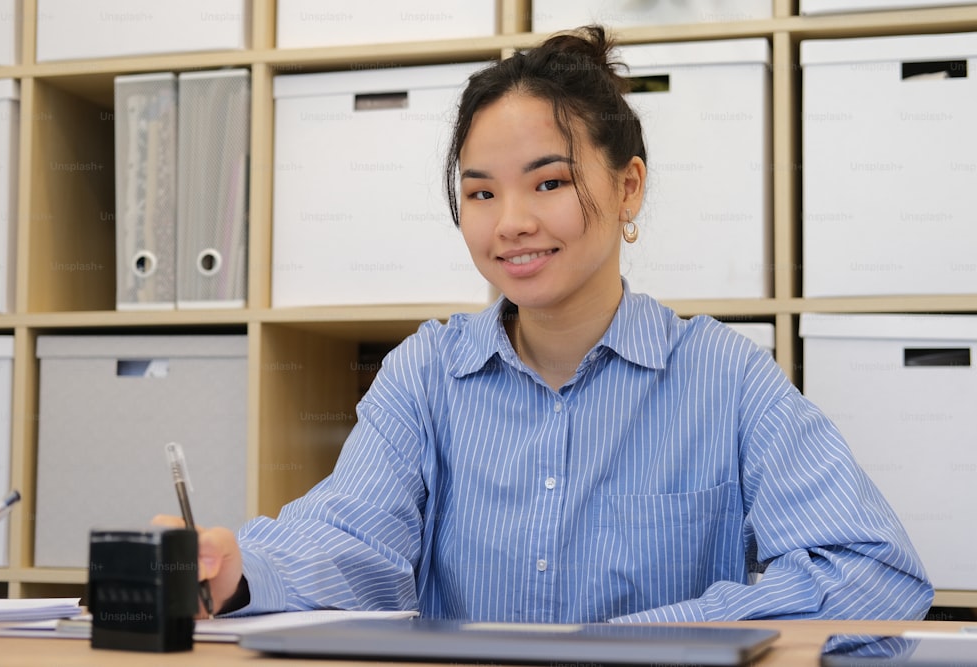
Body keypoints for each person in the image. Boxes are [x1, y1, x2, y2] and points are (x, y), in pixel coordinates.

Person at [156, 25, 933, 623]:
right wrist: (236, 565)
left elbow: (872, 572)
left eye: (549, 182)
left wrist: (656, 637)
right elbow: (353, 542)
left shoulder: (725, 377)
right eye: (482, 193)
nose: (512, 224)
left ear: (629, 189)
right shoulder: (424, 374)